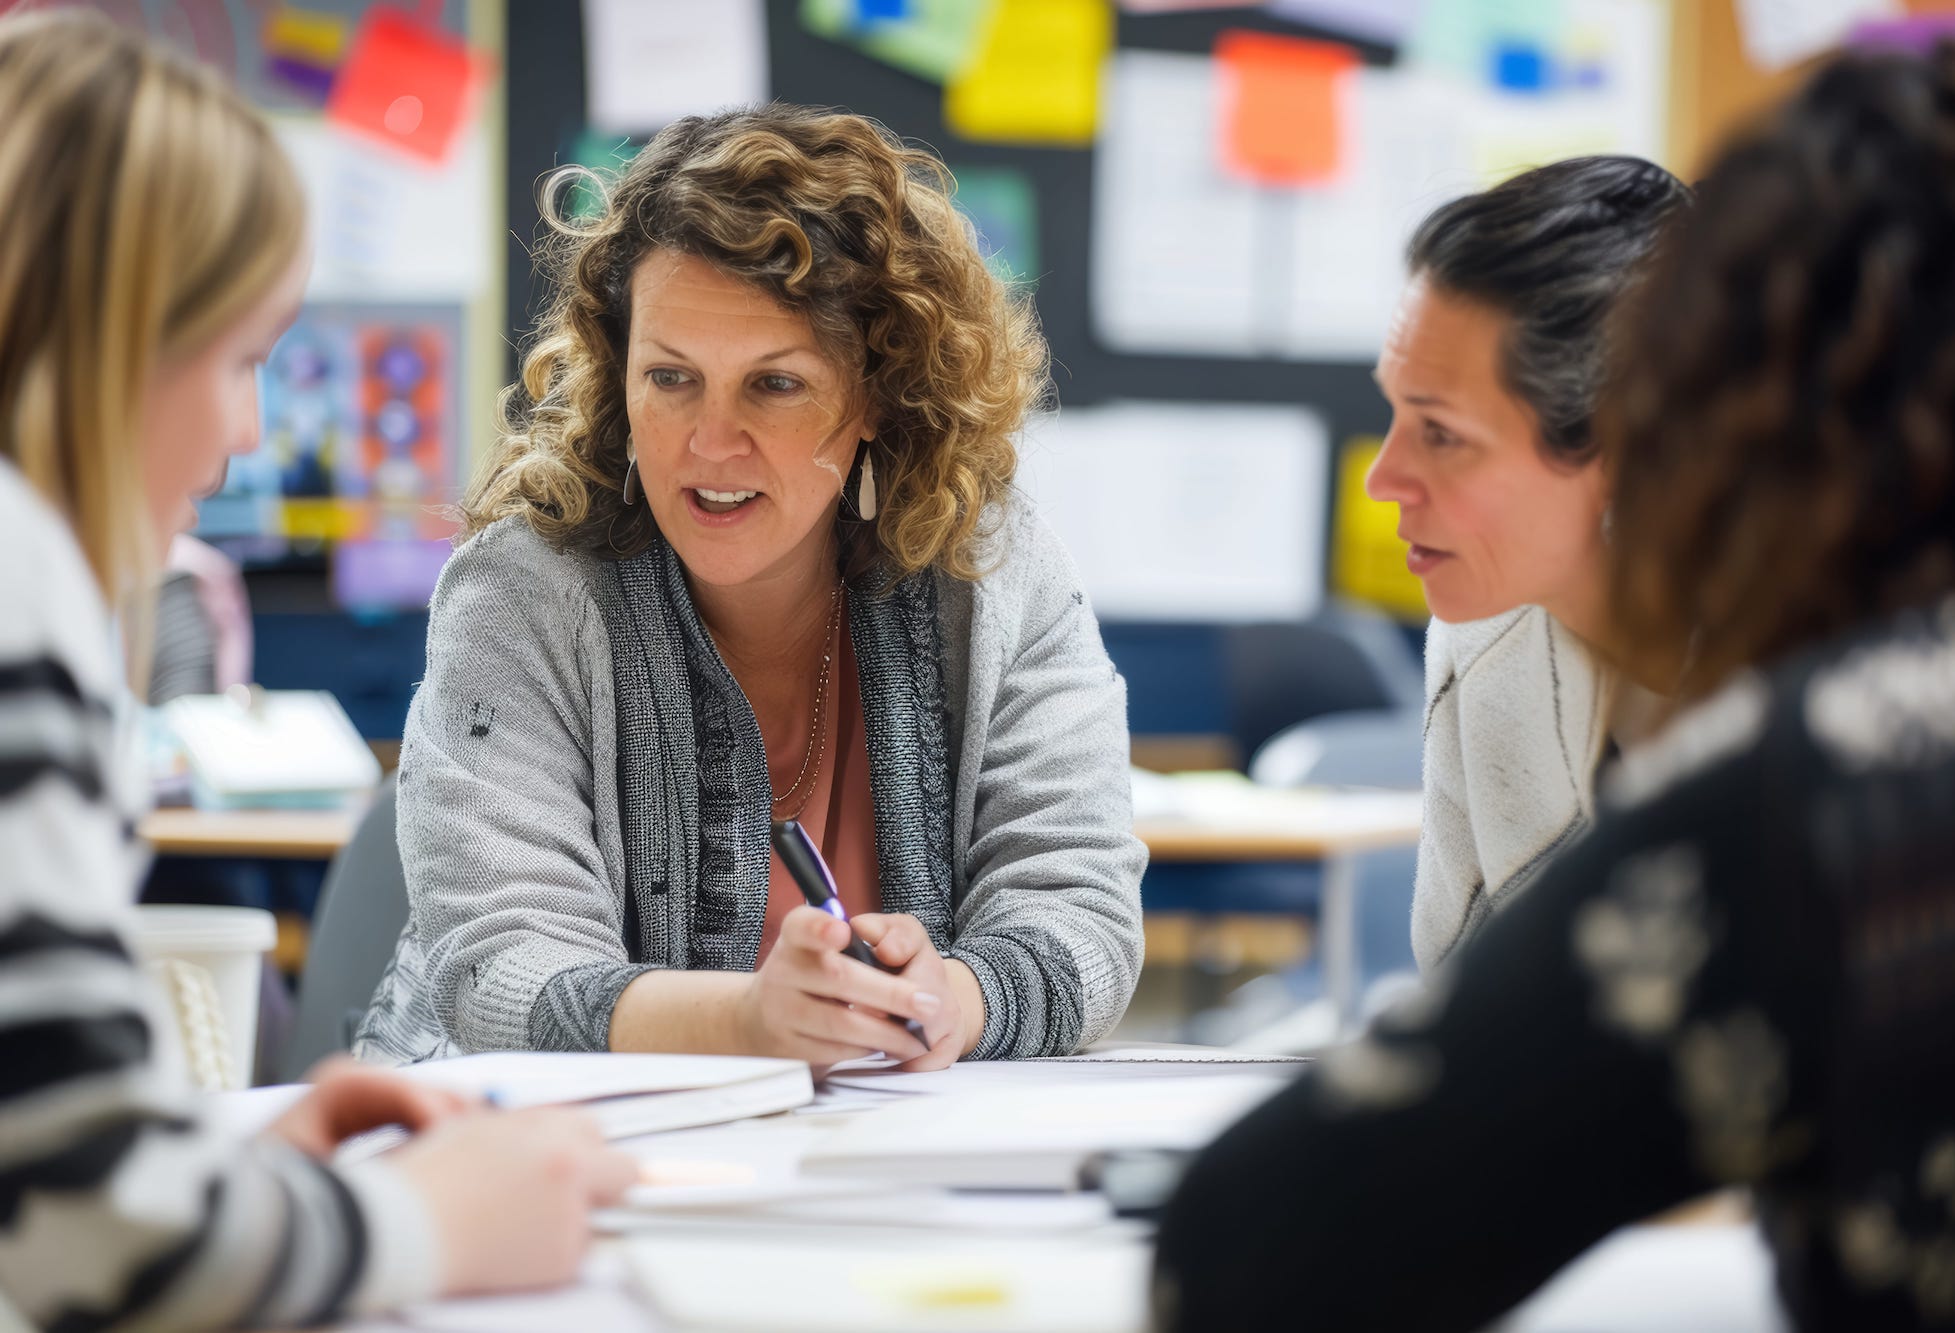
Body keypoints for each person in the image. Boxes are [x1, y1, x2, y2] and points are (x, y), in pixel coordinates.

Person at [1155, 41, 1955, 1332]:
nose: (1387, 482)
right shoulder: (1533, 654)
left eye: (1441, 431)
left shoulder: (1838, 783)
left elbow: (1258, 1241)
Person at [0, 13, 633, 1328]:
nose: (240, 440)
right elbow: (103, 1239)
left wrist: (226, 1181)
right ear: (109, 330)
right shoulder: (21, 571)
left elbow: (54, 1176)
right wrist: (427, 1219)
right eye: (236, 360)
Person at [353, 105, 1145, 1072]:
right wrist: (745, 1026)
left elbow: (1080, 905)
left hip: (871, 1176)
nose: (709, 443)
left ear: (877, 395)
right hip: (523, 1166)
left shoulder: (992, 571)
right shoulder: (523, 592)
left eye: (774, 385)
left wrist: (959, 998)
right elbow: (497, 970)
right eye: (671, 377)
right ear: (617, 372)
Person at [1364, 156, 1691, 971]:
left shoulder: (1828, 669)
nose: (1382, 479)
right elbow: (1458, 1011)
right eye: (1395, 414)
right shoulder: (1484, 635)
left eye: (1442, 434)